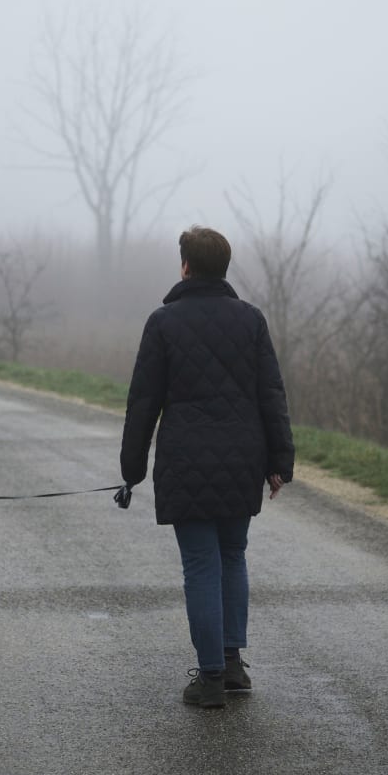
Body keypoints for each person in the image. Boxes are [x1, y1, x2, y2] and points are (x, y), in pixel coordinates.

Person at [121, 225, 294, 708]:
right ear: (224, 267)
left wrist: (131, 469)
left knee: (201, 564)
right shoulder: (251, 320)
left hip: (186, 461)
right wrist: (280, 460)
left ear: (185, 266)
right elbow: (271, 395)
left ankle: (211, 677)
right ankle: (233, 665)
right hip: (243, 458)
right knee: (233, 555)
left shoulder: (163, 322)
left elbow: (143, 402)